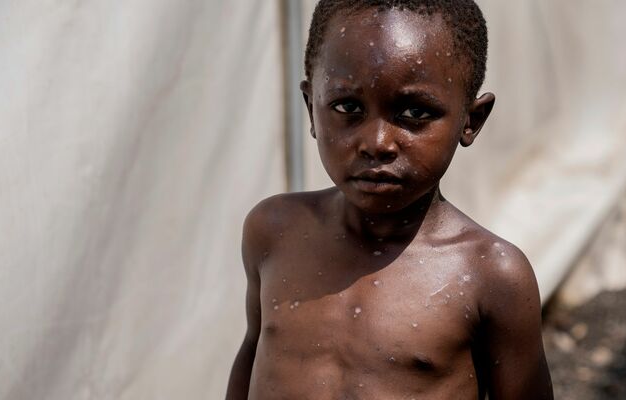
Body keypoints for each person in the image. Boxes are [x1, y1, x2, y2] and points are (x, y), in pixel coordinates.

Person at [226, 0, 553, 398]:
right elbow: (253, 350)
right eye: (348, 107)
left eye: (414, 112)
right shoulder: (274, 230)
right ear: (312, 108)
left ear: (471, 120)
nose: (376, 144)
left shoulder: (490, 276)